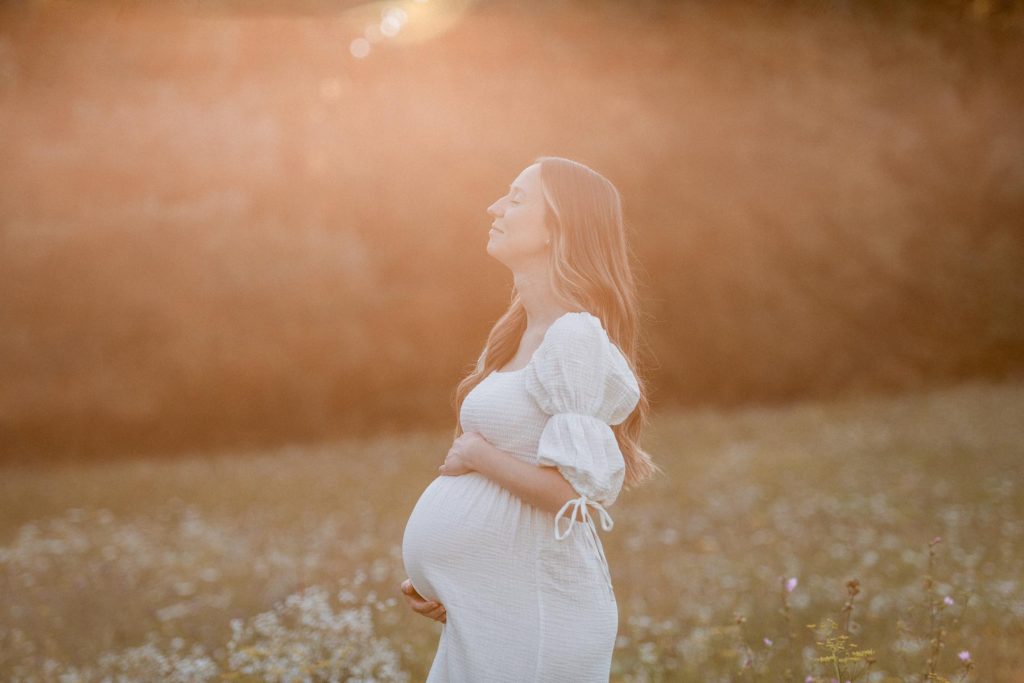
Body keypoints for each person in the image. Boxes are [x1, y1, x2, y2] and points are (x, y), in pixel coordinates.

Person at [399, 156, 660, 682]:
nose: (494, 207)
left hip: (538, 618)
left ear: (556, 228)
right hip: (491, 609)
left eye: (517, 198)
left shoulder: (574, 336)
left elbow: (575, 499)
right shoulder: (516, 334)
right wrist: (451, 579)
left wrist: (478, 455)